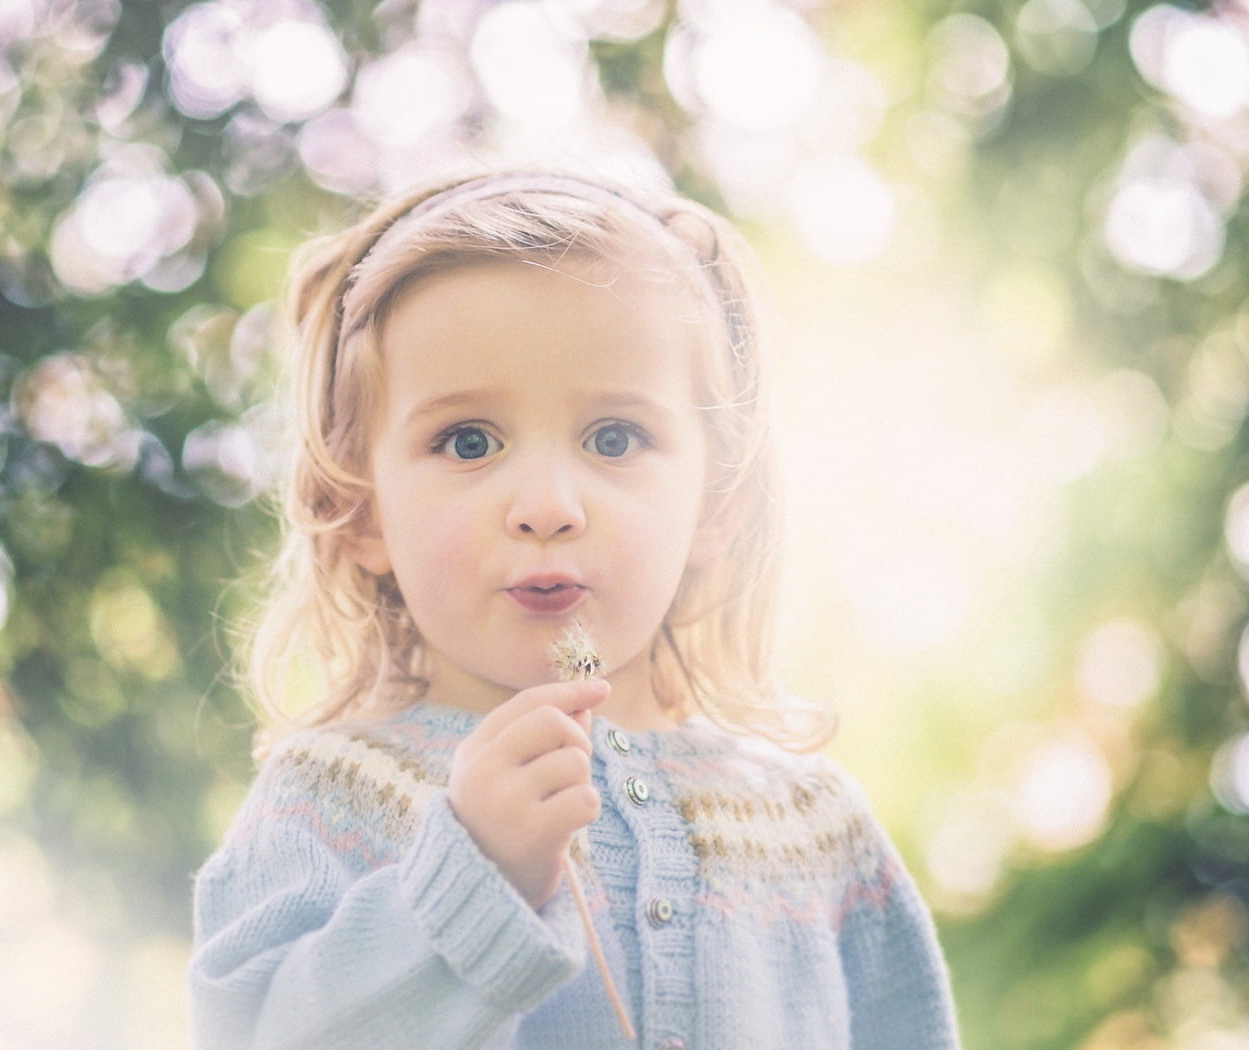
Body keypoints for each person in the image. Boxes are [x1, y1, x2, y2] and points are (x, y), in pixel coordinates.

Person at [187, 168, 961, 1050]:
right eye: (468, 441)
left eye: (616, 438)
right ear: (362, 511)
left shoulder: (815, 830)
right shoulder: (328, 801)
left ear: (715, 504)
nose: (548, 502)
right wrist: (471, 880)